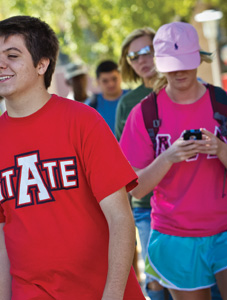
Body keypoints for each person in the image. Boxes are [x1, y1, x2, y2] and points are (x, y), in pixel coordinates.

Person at [0, 15, 144, 299]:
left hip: (101, 290)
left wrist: (112, 295)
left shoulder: (83, 121)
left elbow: (120, 217)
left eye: (12, 56)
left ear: (42, 64)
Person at [120, 22, 227, 300]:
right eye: (171, 64)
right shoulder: (145, 113)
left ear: (199, 59)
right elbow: (135, 188)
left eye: (186, 63)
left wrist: (220, 149)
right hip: (174, 235)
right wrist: (169, 156)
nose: (179, 71)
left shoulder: (221, 103)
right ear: (159, 64)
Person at [115, 27, 171, 300]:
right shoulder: (127, 103)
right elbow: (120, 162)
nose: (142, 60)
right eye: (134, 56)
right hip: (144, 206)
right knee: (156, 279)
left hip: (187, 202)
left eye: (147, 51)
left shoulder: (178, 88)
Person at [87, 60, 128, 131]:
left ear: (120, 77)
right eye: (105, 81)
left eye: (114, 79)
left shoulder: (134, 98)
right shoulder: (91, 106)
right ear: (97, 82)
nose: (110, 84)